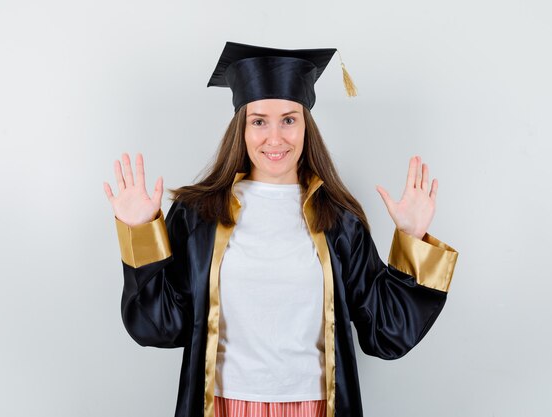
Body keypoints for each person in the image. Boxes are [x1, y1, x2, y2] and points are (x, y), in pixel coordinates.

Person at [103, 41, 458, 417]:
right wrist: (139, 229)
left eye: (289, 119)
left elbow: (386, 333)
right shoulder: (197, 215)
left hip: (316, 406)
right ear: (241, 127)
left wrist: (413, 238)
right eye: (259, 121)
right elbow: (159, 326)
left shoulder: (338, 221)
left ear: (306, 126)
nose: (275, 138)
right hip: (221, 405)